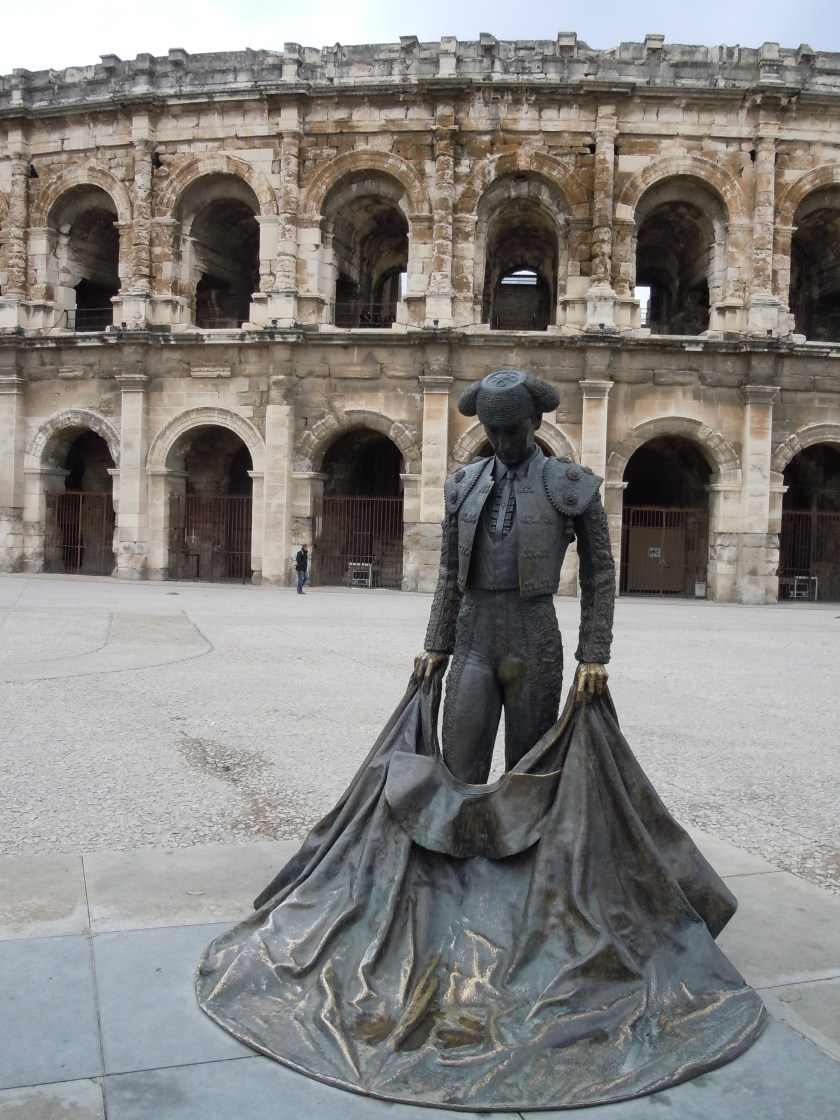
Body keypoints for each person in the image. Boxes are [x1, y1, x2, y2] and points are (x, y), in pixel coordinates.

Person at [414, 368, 615, 783]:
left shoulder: (572, 484)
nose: (504, 443)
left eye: (514, 431)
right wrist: (436, 644)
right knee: (459, 762)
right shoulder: (462, 483)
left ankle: (522, 847)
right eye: (493, 432)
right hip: (473, 633)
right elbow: (451, 572)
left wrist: (593, 654)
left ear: (536, 422)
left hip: (534, 632)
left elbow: (599, 575)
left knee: (529, 771)